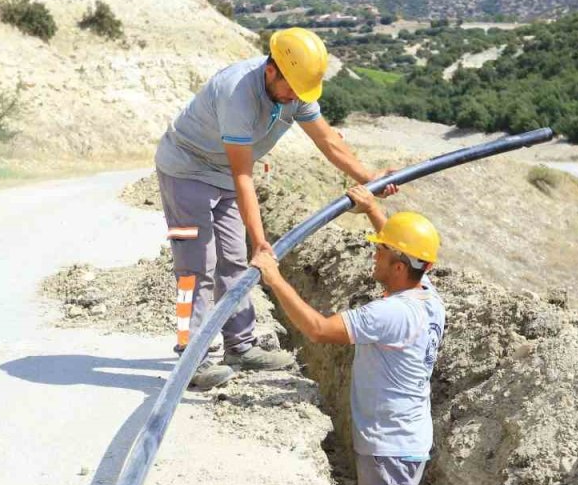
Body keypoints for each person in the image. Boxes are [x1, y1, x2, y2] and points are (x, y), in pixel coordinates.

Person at [154, 27, 396, 389]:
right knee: (196, 267)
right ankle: (193, 357)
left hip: (222, 174)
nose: (297, 97)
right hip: (187, 171)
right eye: (292, 89)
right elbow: (244, 176)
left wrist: (370, 175)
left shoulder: (294, 88)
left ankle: (241, 346)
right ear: (271, 71)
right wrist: (262, 241)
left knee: (234, 261)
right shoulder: (238, 94)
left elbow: (329, 141)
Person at [251, 186, 444, 485]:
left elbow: (319, 329)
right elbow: (413, 258)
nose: (373, 259)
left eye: (381, 254)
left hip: (385, 454)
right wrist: (375, 211)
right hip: (408, 445)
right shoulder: (428, 299)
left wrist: (274, 277)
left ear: (398, 266)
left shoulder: (390, 314)